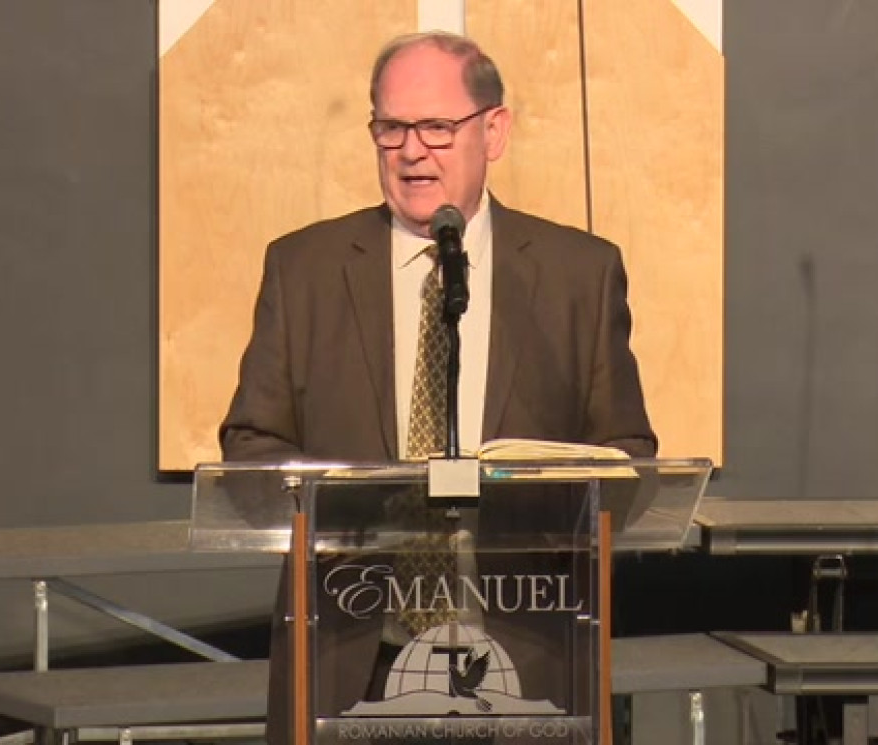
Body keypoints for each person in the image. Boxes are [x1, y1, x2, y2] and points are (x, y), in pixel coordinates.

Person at [219, 31, 657, 745]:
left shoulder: (579, 274)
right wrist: (354, 504)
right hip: (351, 657)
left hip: (527, 659)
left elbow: (627, 454)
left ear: (495, 131)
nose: (411, 151)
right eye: (391, 128)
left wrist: (530, 493)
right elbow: (251, 447)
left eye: (436, 128)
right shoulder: (305, 269)